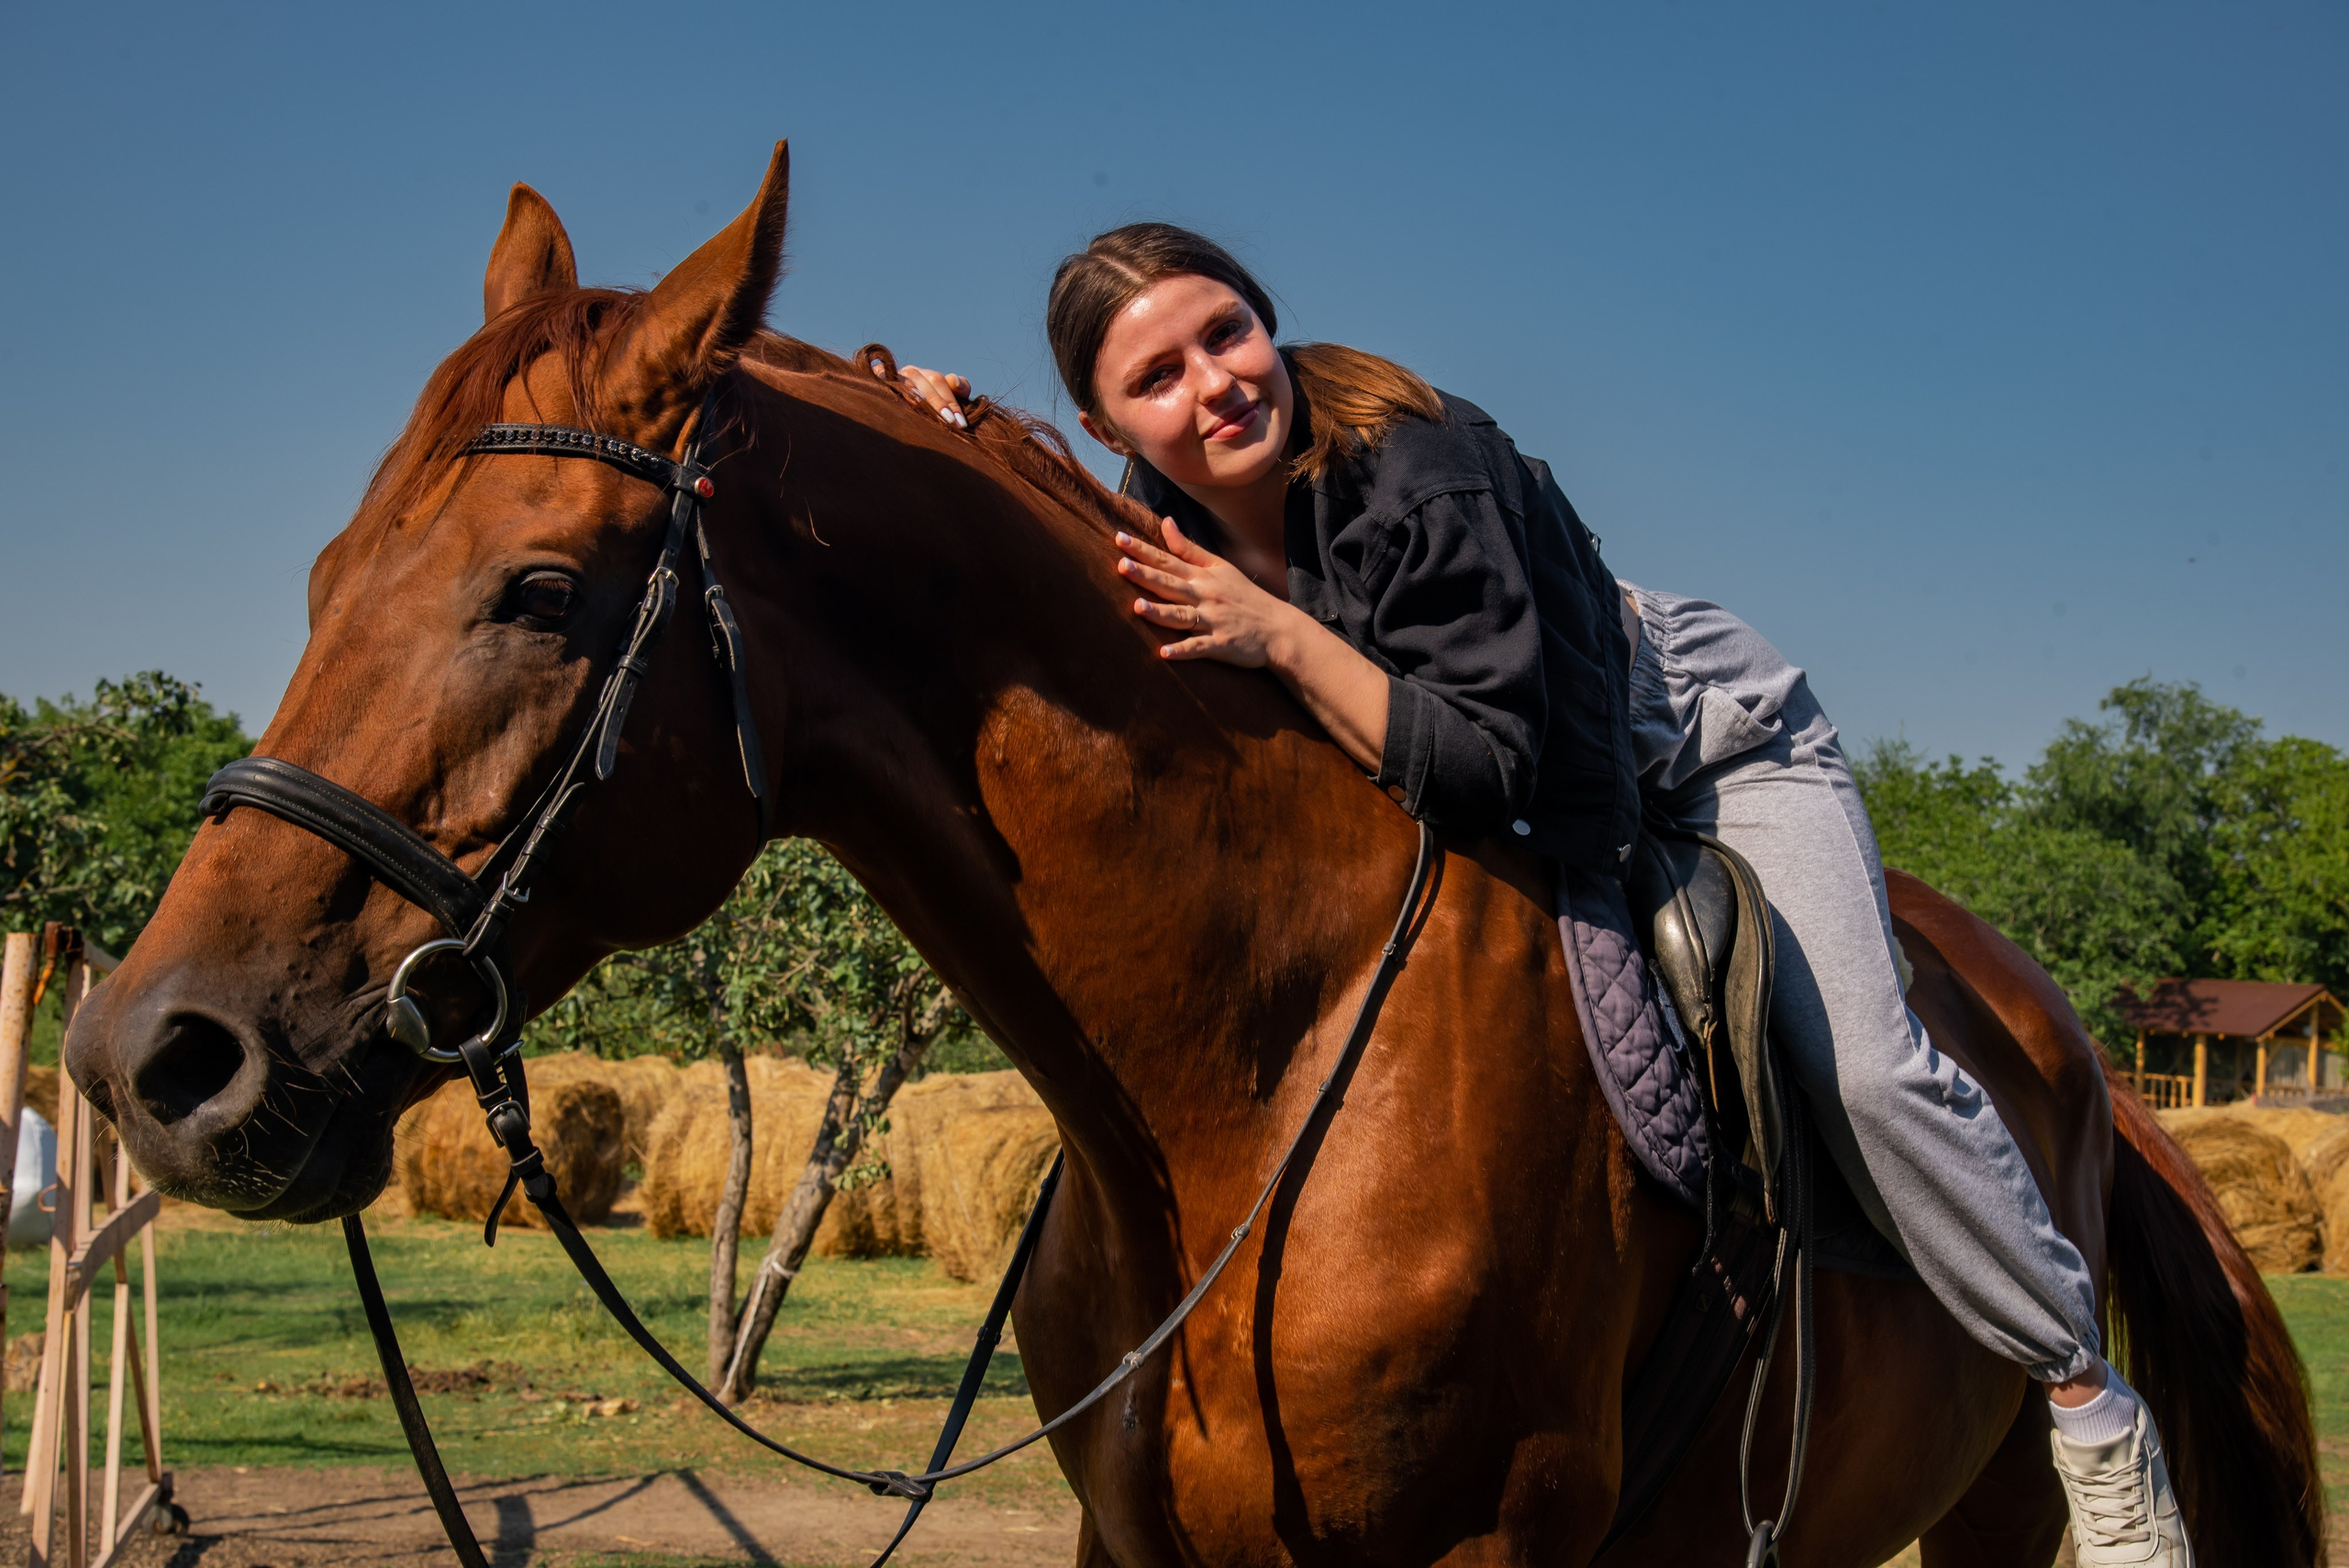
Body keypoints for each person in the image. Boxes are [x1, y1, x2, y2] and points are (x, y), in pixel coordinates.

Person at [887, 222, 2188, 1567]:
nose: (1213, 383)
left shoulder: (1413, 465)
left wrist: (1279, 631)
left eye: (1225, 332)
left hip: (1700, 743)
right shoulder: (1158, 518)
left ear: (1267, 321)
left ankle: (2090, 1410)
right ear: (1107, 424)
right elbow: (1024, 541)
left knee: (1866, 1068)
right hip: (1536, 773)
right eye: (1156, 376)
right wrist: (942, 422)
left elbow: (1498, 760)